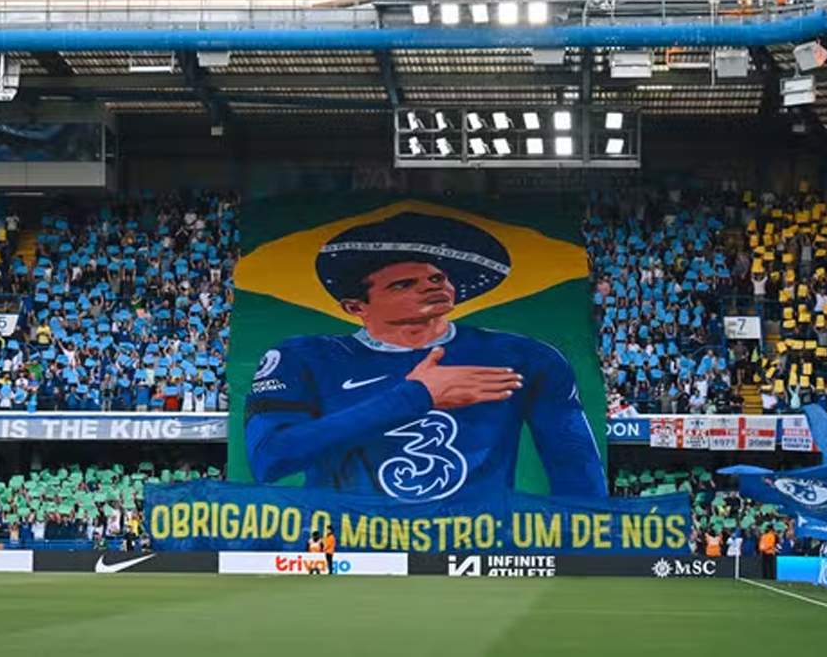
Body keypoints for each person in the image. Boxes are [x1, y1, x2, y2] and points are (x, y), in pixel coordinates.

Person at [244, 213, 607, 503]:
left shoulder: (526, 357)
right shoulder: (303, 358)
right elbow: (269, 459)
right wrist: (416, 397)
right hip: (351, 548)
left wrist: (586, 544)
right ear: (355, 306)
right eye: (403, 284)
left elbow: (574, 464)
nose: (432, 285)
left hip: (475, 549)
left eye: (437, 277)